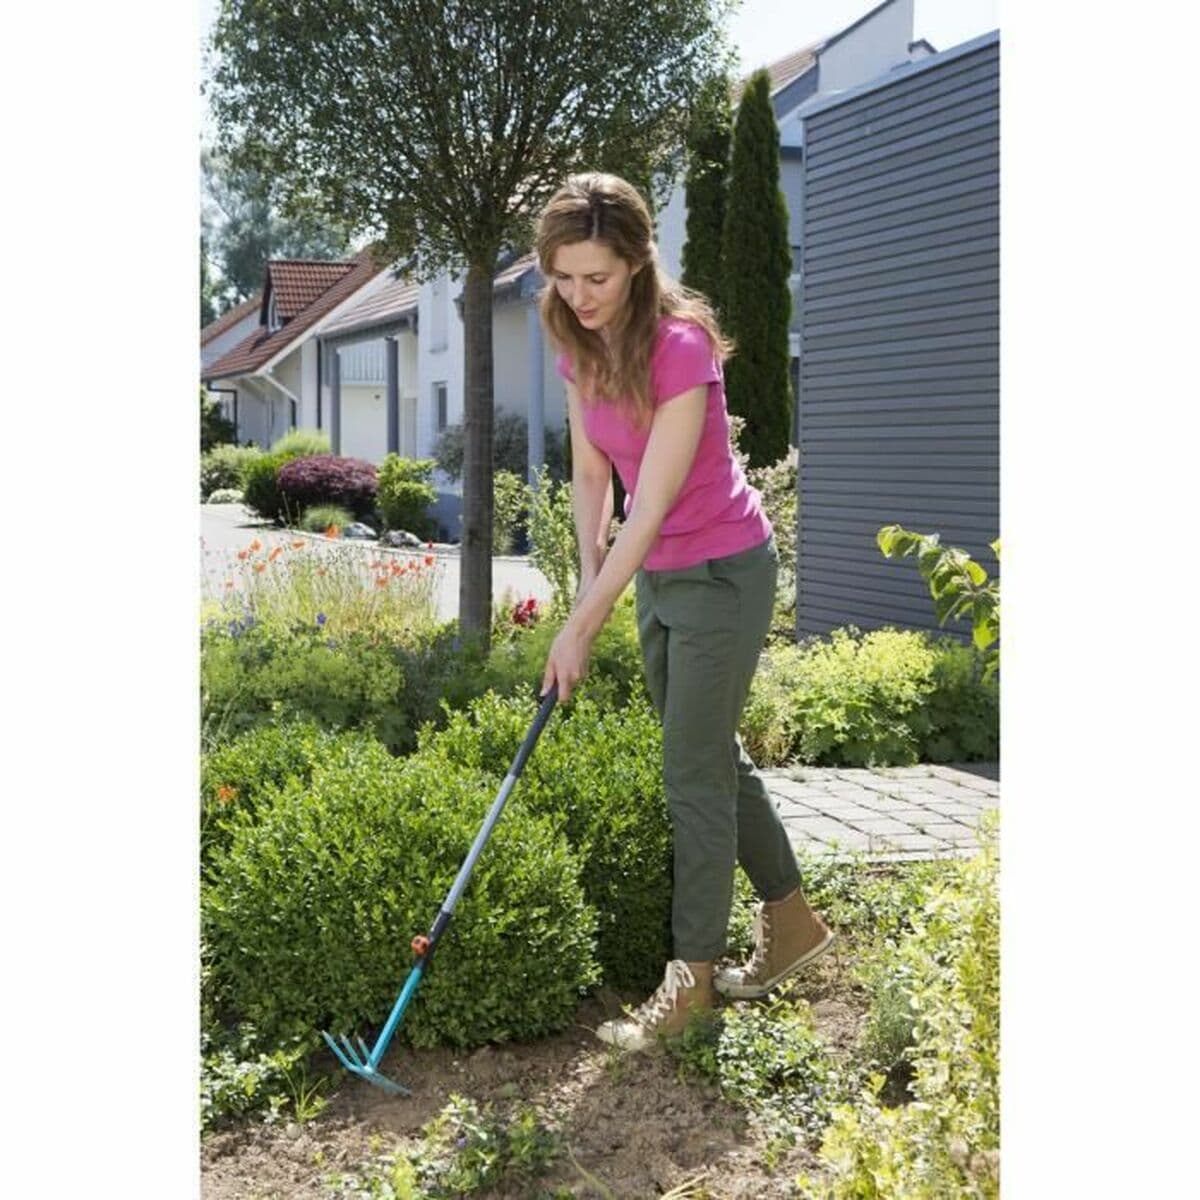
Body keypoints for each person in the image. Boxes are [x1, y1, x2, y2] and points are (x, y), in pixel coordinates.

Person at [535, 173, 835, 1052]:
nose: (579, 295)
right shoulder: (575, 339)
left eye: (596, 276)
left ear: (637, 262)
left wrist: (583, 626)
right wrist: (587, 585)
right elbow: (592, 474)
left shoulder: (680, 347)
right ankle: (793, 923)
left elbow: (653, 504)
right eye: (563, 276)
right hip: (661, 579)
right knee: (709, 756)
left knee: (690, 776)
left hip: (723, 572)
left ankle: (692, 981)